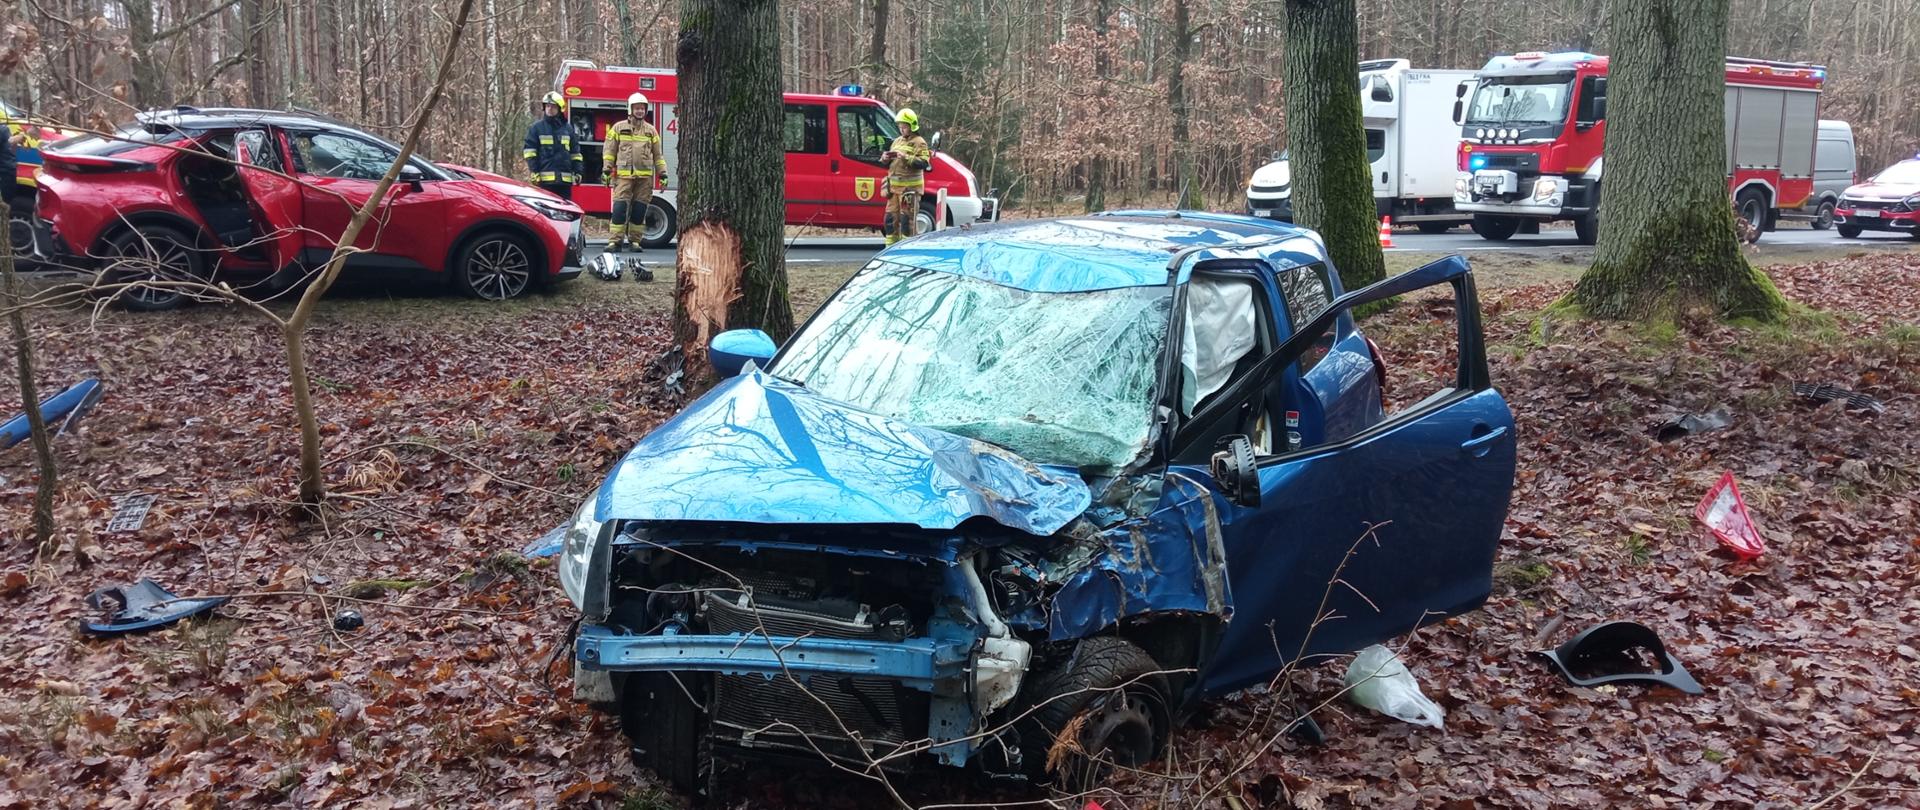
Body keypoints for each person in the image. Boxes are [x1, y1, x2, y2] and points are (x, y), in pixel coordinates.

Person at [603, 93, 667, 253]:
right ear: (630, 109)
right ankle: (614, 242)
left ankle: (635, 241)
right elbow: (609, 151)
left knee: (639, 211)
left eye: (642, 108)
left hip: (644, 180)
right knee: (619, 209)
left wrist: (663, 174)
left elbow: (658, 155)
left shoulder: (651, 131)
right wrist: (606, 170)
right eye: (637, 108)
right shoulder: (618, 128)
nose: (640, 111)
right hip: (623, 177)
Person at [881, 108, 931, 246]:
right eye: (900, 126)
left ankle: (906, 248)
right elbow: (890, 164)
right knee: (890, 220)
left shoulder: (919, 142)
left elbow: (924, 163)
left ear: (912, 126)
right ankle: (890, 248)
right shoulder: (897, 142)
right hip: (893, 190)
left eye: (904, 126)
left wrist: (906, 157)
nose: (901, 129)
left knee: (906, 222)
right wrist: (885, 158)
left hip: (909, 191)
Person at [523, 91, 583, 200]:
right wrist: (534, 171)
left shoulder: (568, 129)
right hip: (545, 182)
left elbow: (575, 153)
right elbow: (530, 152)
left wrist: (578, 171)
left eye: (553, 106)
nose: (550, 109)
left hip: (564, 182)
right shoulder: (536, 128)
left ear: (560, 109)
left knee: (565, 212)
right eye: (547, 106)